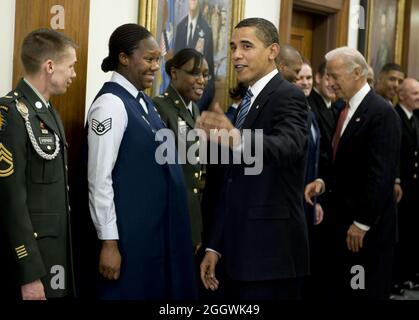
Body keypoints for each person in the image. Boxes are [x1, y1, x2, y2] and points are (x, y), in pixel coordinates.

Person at [198, 18, 310, 300]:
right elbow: (230, 183)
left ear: (273, 51)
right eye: (234, 46)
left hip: (271, 258)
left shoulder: (289, 96)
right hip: (234, 255)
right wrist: (214, 245)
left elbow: (289, 145)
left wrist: (236, 139)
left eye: (247, 46)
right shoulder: (244, 103)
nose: (236, 55)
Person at [86, 23, 197, 299]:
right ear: (123, 58)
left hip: (151, 238)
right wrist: (109, 243)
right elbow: (99, 179)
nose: (155, 67)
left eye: (158, 59)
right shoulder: (110, 104)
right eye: (149, 59)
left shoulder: (142, 102)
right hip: (127, 240)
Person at [316, 47, 401, 299]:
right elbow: (342, 164)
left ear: (356, 74)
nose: (329, 82)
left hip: (365, 233)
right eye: (328, 76)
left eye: (334, 76)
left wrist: (362, 222)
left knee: (361, 290)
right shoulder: (344, 109)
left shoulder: (381, 113)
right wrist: (322, 182)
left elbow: (381, 175)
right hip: (343, 226)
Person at [0, 28, 77, 300]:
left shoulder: (48, 111)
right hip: (31, 262)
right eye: (71, 67)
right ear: (50, 66)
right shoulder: (9, 112)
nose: (73, 74)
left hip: (54, 254)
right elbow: (11, 201)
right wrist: (29, 274)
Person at [152, 48, 209, 252]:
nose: (202, 80)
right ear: (174, 73)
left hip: (190, 217)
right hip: (170, 219)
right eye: (195, 73)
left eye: (205, 74)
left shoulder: (194, 109)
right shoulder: (159, 107)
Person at [393, 78, 419, 292]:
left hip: (414, 186)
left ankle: (408, 275)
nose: (418, 97)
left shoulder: (415, 118)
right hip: (400, 187)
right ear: (402, 96)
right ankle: (396, 277)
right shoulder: (395, 116)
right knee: (399, 233)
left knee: (411, 231)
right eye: (415, 93)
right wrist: (397, 179)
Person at [174, 0, 215, 111]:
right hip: (180, 92)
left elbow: (209, 64)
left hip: (197, 96)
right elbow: (176, 62)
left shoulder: (206, 29)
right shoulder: (181, 26)